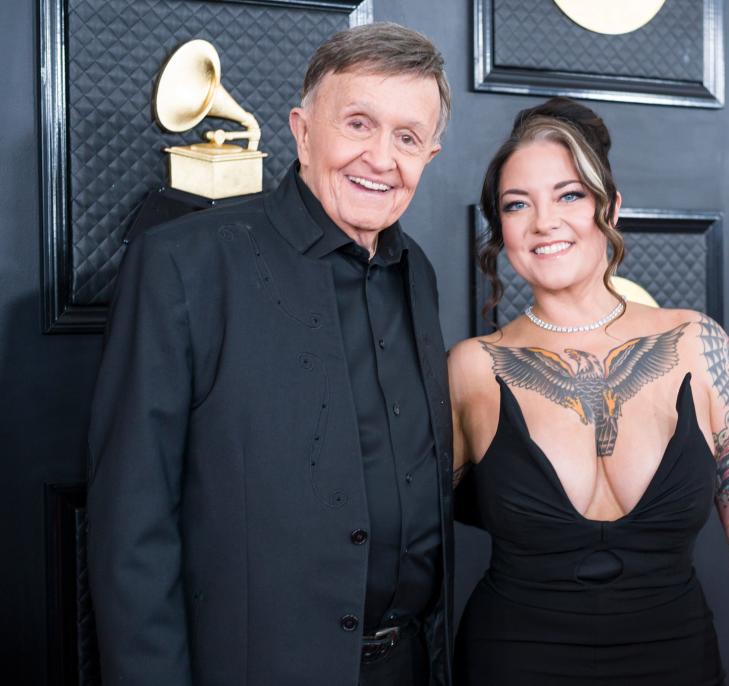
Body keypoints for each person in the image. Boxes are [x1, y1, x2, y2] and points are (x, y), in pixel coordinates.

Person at [87, 23, 454, 686]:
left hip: (413, 667)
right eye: (358, 124)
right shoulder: (183, 263)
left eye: (406, 137)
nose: (381, 158)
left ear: (430, 153)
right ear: (303, 129)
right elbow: (130, 529)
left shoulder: (419, 273)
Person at [449, 98, 729, 685]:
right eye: (517, 205)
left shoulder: (699, 344)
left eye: (568, 195)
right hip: (513, 660)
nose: (543, 222)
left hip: (678, 658)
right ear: (500, 228)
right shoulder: (473, 369)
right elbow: (403, 534)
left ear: (610, 207)